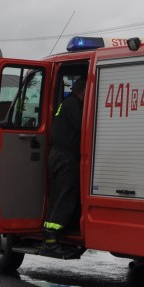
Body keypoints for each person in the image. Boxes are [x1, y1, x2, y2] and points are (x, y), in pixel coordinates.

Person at [42, 76, 86, 252]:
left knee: (60, 193)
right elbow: (84, 126)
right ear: (84, 91)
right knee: (66, 194)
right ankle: (50, 237)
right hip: (66, 157)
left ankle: (52, 233)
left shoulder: (66, 103)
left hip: (58, 155)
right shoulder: (74, 105)